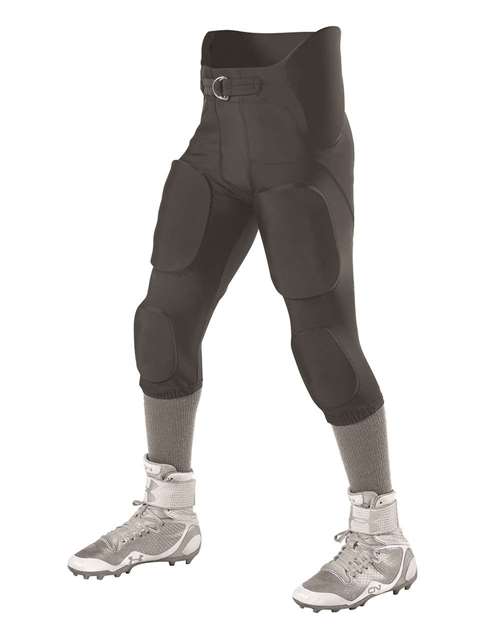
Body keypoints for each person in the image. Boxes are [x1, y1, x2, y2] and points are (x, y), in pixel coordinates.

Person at [68, 27, 416, 612]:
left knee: (323, 344)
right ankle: (169, 516)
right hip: (217, 132)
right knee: (161, 323)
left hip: (300, 137)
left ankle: (383, 540)